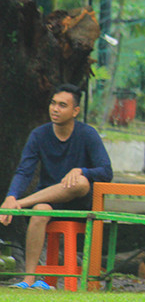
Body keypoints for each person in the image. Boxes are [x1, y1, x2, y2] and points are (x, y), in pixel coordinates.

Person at [1, 84, 113, 289]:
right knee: (39, 210)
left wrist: (82, 171)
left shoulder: (87, 134)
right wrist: (11, 195)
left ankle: (21, 204)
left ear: (75, 111)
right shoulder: (39, 135)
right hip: (49, 201)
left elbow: (106, 172)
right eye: (53, 103)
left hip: (80, 205)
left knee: (79, 182)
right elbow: (24, 171)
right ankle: (29, 279)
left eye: (62, 105)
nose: (55, 109)